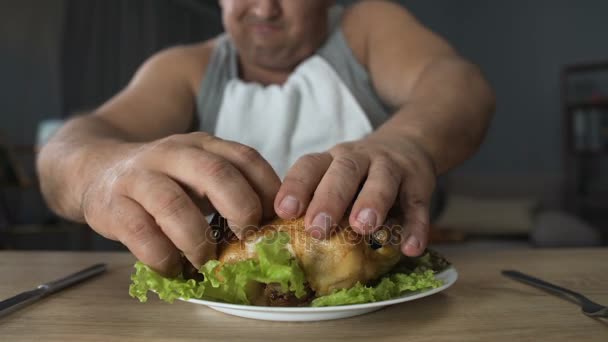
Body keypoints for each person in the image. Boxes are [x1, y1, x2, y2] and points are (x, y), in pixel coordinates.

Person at [37, 0, 495, 276]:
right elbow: (64, 148)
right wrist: (104, 172)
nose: (263, 7)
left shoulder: (367, 29)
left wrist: (406, 142)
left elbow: (459, 83)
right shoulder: (185, 68)